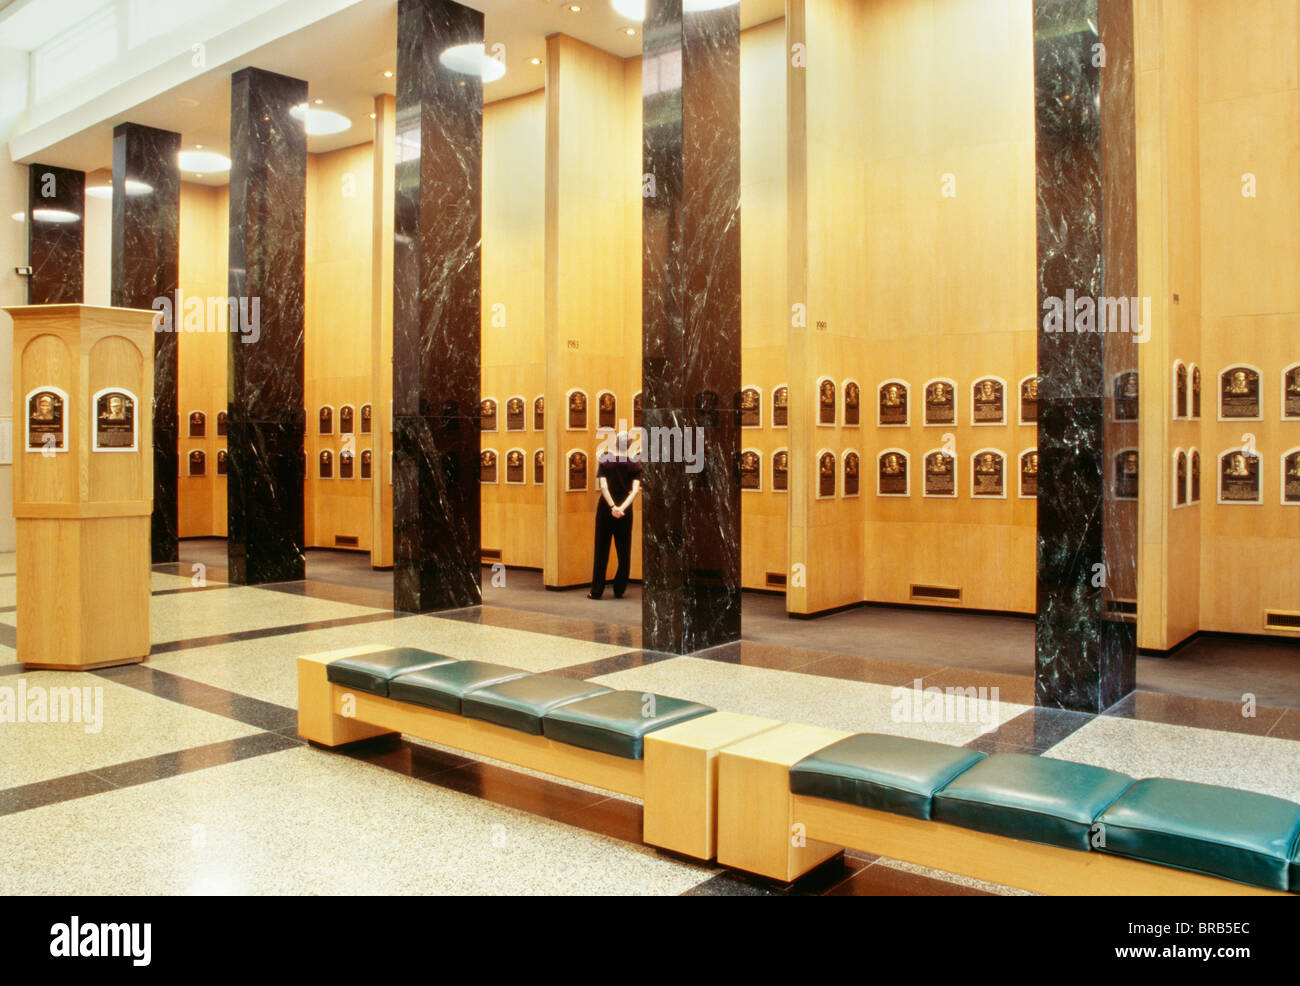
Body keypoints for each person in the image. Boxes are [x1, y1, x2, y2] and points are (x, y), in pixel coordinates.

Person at [589, 432, 641, 600]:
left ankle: (596, 591)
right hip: (625, 510)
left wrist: (612, 506)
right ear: (630, 444)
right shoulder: (635, 465)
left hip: (606, 508)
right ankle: (619, 589)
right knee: (624, 550)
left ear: (615, 443)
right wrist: (622, 508)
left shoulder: (605, 461)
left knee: (601, 549)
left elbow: (603, 487)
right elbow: (635, 491)